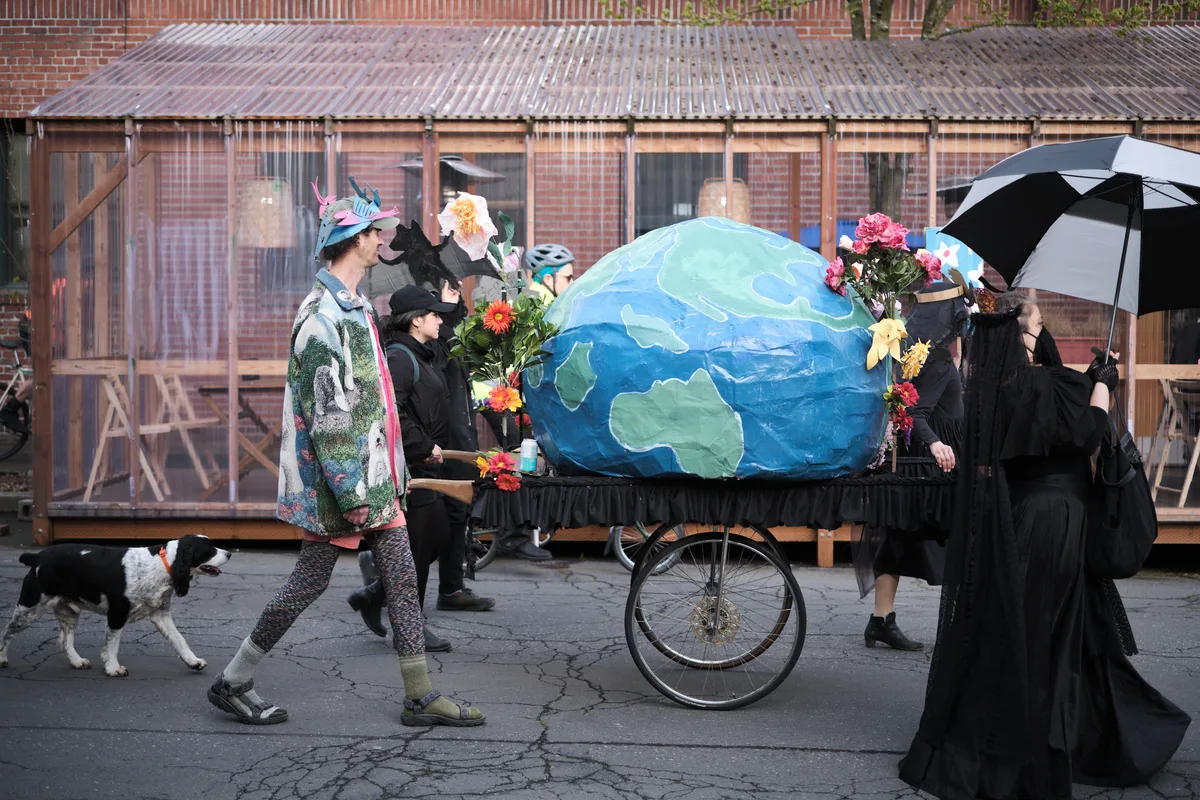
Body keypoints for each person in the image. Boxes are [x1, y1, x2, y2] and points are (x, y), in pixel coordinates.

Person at [207, 178, 484, 728]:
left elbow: (371, 400)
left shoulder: (353, 306)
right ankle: (233, 680)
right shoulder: (321, 316)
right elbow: (328, 414)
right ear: (353, 238)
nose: (383, 235)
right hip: (350, 484)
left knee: (401, 579)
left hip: (374, 478)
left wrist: (391, 470)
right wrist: (354, 494)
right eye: (373, 229)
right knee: (309, 583)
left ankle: (418, 694)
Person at [899, 293, 1188, 798]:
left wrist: (1091, 383)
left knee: (1035, 626)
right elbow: (1087, 433)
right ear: (1021, 339)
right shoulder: (1045, 384)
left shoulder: (993, 391)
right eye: (1035, 329)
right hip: (1057, 521)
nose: (1042, 336)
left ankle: (1053, 730)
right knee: (1049, 632)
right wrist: (1102, 384)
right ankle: (1051, 739)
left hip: (1020, 518)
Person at [347, 283, 495, 652]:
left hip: (429, 464)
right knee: (421, 543)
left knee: (438, 538)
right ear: (416, 321)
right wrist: (423, 445)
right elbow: (390, 411)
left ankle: (377, 592)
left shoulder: (426, 352)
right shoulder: (400, 357)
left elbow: (446, 345)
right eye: (433, 315)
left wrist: (448, 304)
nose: (439, 320)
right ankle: (409, 627)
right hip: (412, 466)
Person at [854, 281, 968, 651]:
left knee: (899, 538)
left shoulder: (917, 350)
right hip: (932, 465)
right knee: (956, 539)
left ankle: (880, 620)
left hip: (919, 461)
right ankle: (965, 627)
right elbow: (914, 411)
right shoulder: (932, 358)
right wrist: (937, 444)